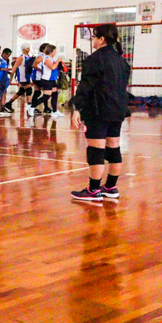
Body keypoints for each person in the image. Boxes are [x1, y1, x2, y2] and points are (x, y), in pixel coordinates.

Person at [71, 24, 130, 201]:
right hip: (118, 109)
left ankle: (93, 190)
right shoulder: (121, 61)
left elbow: (86, 86)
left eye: (94, 37)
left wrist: (77, 107)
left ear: (101, 39)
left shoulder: (95, 59)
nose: (93, 40)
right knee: (113, 148)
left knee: (96, 150)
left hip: (98, 109)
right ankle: (111, 187)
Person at [28, 44, 64, 117]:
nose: (55, 53)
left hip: (52, 79)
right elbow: (52, 67)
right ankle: (32, 107)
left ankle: (54, 111)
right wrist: (58, 61)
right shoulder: (47, 59)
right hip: (47, 80)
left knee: (55, 94)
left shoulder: (51, 58)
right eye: (54, 51)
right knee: (46, 96)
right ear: (51, 51)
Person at [1, 44, 34, 114]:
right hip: (23, 76)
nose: (29, 49)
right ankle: (30, 107)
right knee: (29, 90)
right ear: (24, 49)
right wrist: (11, 75)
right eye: (28, 48)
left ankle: (9, 103)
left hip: (28, 76)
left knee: (21, 91)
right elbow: (15, 66)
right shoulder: (21, 57)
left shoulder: (29, 57)